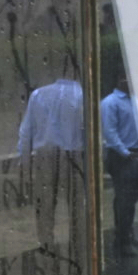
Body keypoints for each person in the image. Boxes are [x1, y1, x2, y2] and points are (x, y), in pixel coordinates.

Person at [15, 70, 86, 252]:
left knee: (45, 202)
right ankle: (78, 242)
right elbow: (88, 130)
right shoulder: (81, 95)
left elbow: (26, 132)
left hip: (44, 154)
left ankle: (46, 243)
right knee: (76, 203)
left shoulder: (39, 94)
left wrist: (24, 161)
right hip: (73, 154)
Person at [100, 73, 138, 258]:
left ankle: (127, 234)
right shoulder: (110, 103)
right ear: (121, 79)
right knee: (124, 199)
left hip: (135, 155)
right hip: (121, 156)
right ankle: (123, 241)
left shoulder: (135, 102)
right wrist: (126, 153)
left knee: (130, 199)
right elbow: (110, 133)